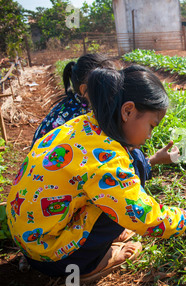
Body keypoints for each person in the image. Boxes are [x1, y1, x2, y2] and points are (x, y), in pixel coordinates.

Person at [6, 65, 186, 280]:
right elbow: (140, 214)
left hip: (31, 239)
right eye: (152, 125)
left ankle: (97, 240)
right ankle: (93, 264)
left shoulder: (83, 125)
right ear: (128, 110)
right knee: (126, 194)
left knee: (137, 161)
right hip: (55, 258)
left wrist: (149, 161)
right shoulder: (107, 160)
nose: (150, 135)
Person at [31, 53, 178, 186]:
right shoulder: (89, 123)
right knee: (133, 155)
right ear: (84, 90)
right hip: (56, 199)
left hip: (40, 193)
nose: (115, 94)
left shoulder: (75, 110)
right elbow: (125, 196)